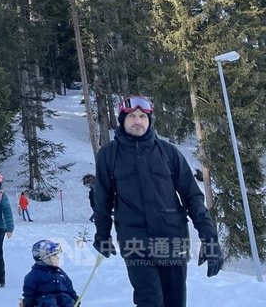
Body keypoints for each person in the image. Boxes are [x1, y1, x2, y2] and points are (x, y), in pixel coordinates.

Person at [92, 95, 224, 307]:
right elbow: (102, 199)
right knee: (149, 300)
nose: (138, 121)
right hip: (135, 241)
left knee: (175, 301)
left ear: (150, 119)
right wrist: (102, 234)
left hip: (172, 238)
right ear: (122, 120)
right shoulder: (109, 155)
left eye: (143, 116)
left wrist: (210, 238)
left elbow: (192, 196)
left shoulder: (168, 152)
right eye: (132, 116)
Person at [22, 240, 79, 307]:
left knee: (66, 300)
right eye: (54, 256)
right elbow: (29, 293)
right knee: (50, 302)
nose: (58, 258)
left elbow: (69, 286)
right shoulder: (34, 275)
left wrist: (75, 298)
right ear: (44, 259)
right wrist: (29, 303)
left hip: (62, 298)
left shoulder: (60, 272)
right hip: (44, 301)